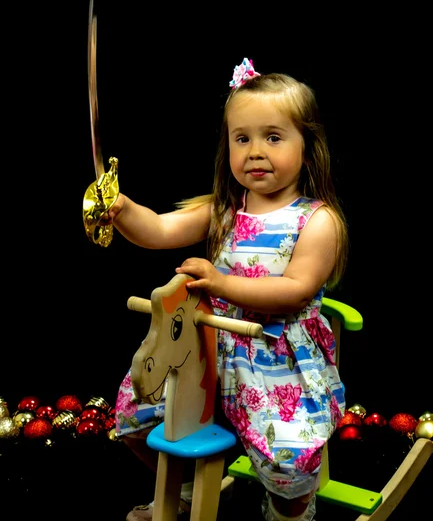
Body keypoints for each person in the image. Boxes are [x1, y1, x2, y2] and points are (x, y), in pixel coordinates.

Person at [110, 58, 349, 521]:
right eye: (242, 139)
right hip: (207, 346)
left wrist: (220, 282)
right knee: (136, 418)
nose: (255, 151)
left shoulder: (317, 221)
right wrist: (121, 210)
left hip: (275, 358)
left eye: (273, 137)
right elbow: (158, 229)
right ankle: (180, 492)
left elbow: (296, 290)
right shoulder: (223, 211)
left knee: (288, 461)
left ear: (307, 145)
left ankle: (290, 507)